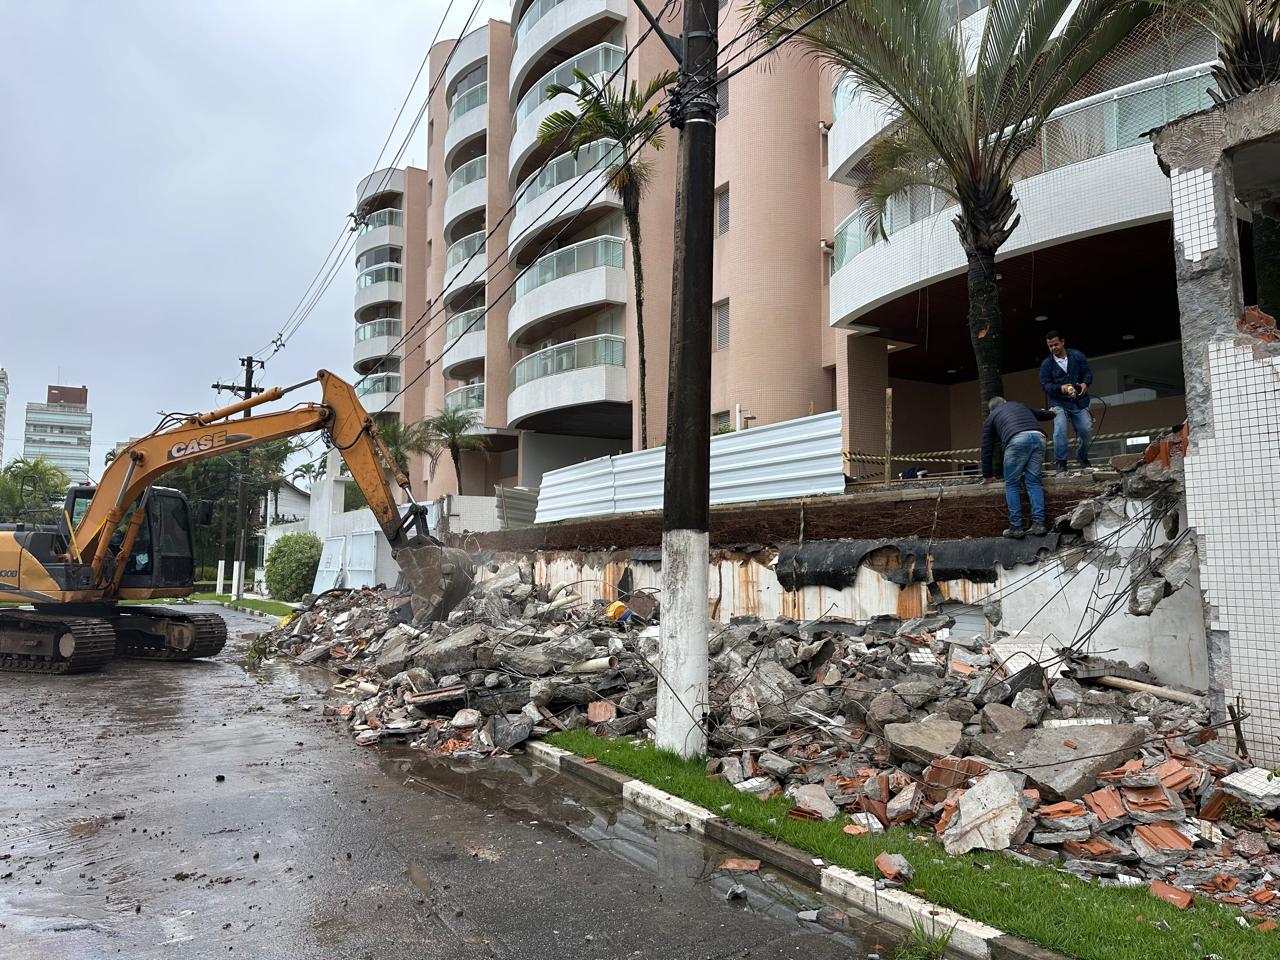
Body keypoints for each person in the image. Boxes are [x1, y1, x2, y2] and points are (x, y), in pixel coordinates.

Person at [981, 396, 1055, 539]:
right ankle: (1039, 524)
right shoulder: (1019, 404)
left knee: (1012, 484)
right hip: (1039, 437)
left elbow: (986, 447)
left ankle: (1016, 527)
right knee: (1034, 482)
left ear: (991, 410)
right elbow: (1042, 414)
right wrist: (1052, 413)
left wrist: (987, 474)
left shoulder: (992, 417)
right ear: (1006, 403)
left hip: (1016, 440)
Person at [1039, 330, 1094, 472]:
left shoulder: (1077, 356)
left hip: (1079, 402)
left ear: (1063, 342)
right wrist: (1060, 388)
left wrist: (1085, 384)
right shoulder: (1047, 364)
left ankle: (1082, 457)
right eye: (1050, 346)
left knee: (1086, 430)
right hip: (1058, 403)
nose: (1053, 348)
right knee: (1060, 430)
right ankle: (1061, 462)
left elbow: (1087, 373)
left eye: (1056, 344)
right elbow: (1045, 385)